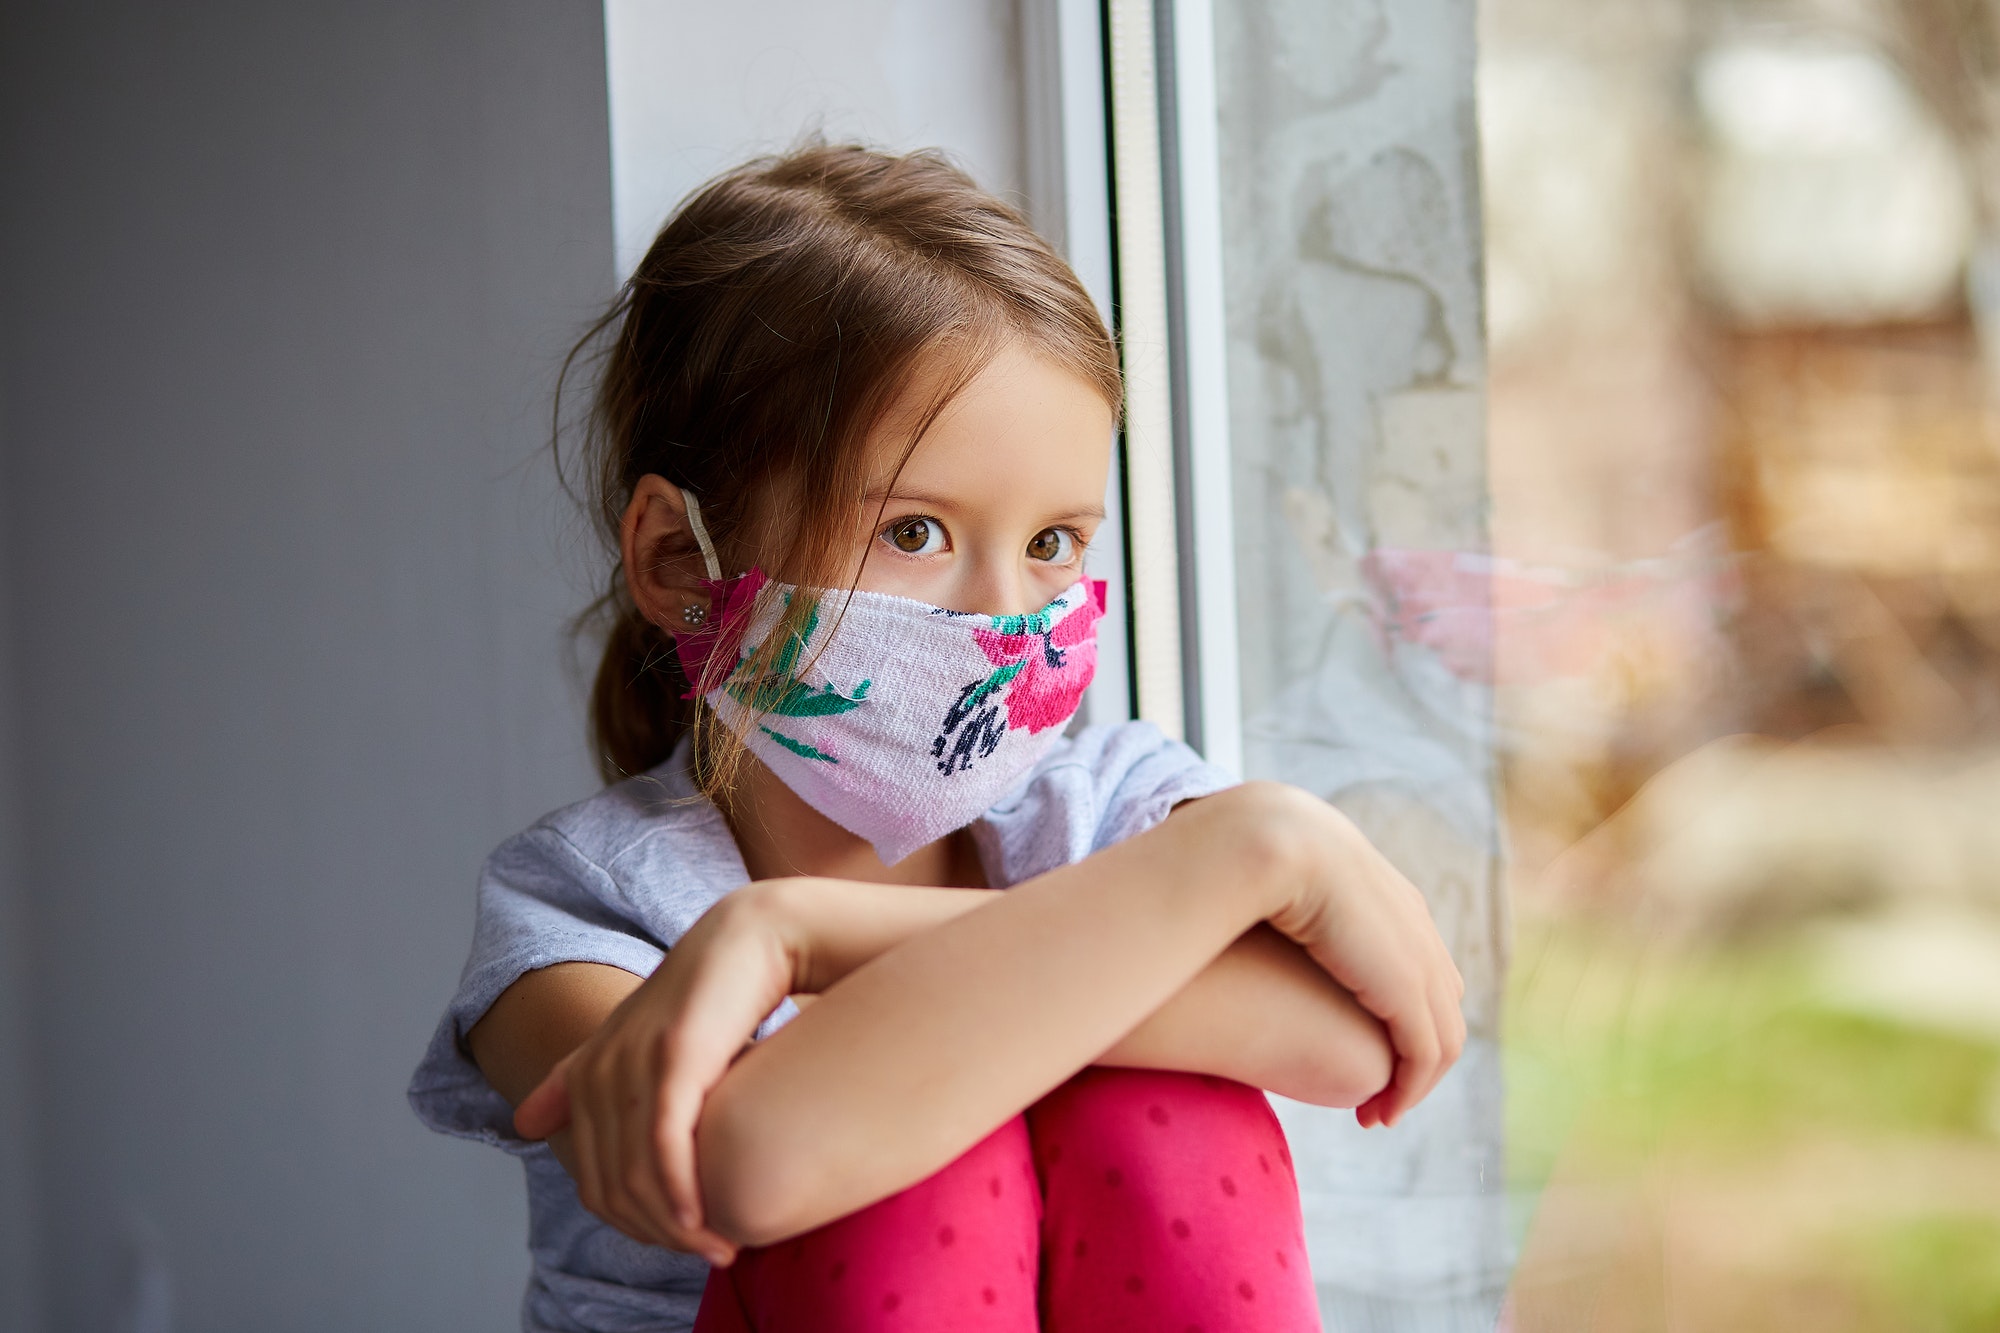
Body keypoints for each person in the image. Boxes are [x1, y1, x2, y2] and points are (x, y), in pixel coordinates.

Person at [408, 143, 1465, 1333]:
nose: (1006, 614)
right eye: (913, 533)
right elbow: (753, 1165)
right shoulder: (578, 908)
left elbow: (1345, 1039)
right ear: (674, 556)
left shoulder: (1102, 803)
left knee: (1158, 1112)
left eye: (1055, 542)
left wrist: (798, 935)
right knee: (909, 1143)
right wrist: (1251, 850)